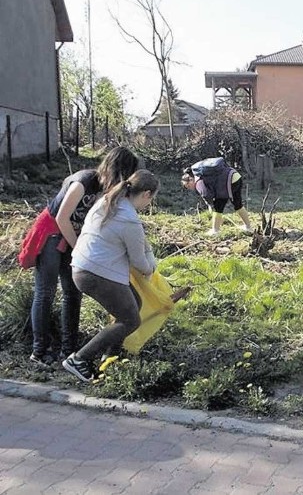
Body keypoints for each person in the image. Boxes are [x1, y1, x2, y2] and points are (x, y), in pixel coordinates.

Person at [20, 146, 139, 368]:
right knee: (46, 292)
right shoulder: (84, 181)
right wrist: (79, 249)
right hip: (53, 232)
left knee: (72, 293)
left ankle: (69, 350)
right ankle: (39, 351)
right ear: (117, 169)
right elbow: (63, 217)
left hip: (74, 237)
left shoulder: (107, 191)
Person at [62, 169, 159, 382]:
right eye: (150, 200)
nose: (148, 205)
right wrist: (152, 267)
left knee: (135, 302)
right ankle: (78, 359)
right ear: (147, 194)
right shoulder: (129, 219)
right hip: (96, 273)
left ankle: (110, 358)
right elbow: (139, 262)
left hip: (82, 267)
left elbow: (136, 243)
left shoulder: (109, 200)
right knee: (130, 320)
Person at [181, 158, 252, 236]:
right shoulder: (201, 175)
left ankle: (215, 231)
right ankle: (248, 227)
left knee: (217, 207)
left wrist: (210, 205)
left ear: (191, 179)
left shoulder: (198, 182)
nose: (189, 188)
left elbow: (206, 195)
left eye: (188, 185)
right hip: (235, 176)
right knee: (238, 204)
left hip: (228, 182)